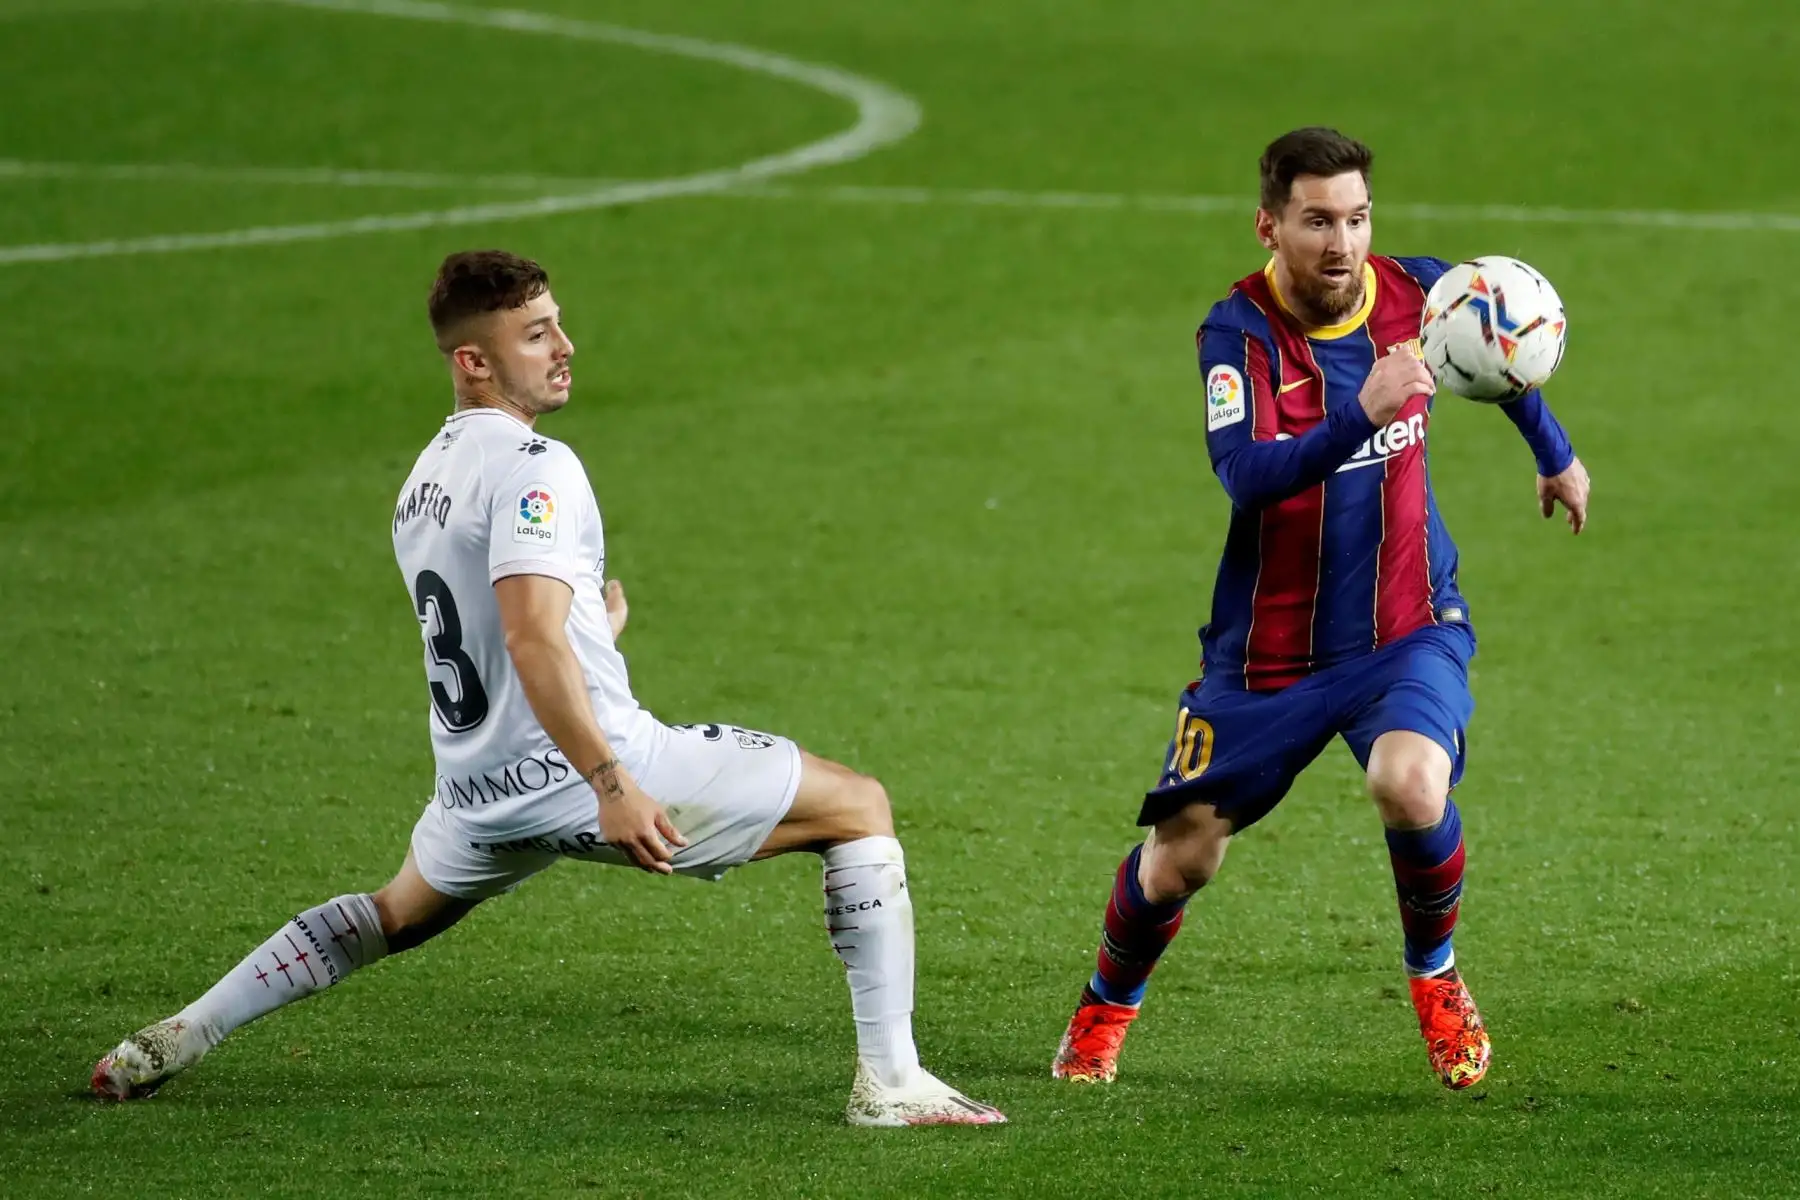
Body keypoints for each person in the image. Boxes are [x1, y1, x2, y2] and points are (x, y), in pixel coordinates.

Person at [92, 249, 1005, 1129]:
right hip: (585, 768)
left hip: (476, 794)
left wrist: (590, 635)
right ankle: (892, 1081)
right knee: (858, 806)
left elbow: (503, 636)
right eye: (535, 334)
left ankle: (180, 1033)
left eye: (558, 323)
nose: (563, 345)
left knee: (393, 914)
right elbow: (527, 634)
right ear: (474, 360)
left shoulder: (424, 480)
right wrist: (613, 784)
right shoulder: (539, 469)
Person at [1050, 128, 1590, 1091]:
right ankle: (1104, 1009)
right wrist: (1361, 414)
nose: (1341, 243)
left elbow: (1496, 351)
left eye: (1356, 217)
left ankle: (1434, 975)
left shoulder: (1421, 293)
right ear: (1270, 225)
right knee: (1181, 859)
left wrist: (1553, 453)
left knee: (1411, 783)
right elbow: (1247, 476)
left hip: (1406, 625)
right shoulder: (1239, 333)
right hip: (1269, 657)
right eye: (1317, 221)